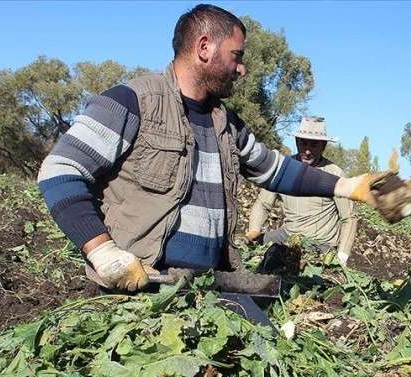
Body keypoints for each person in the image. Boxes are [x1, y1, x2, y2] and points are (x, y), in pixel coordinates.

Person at [36, 4, 388, 293]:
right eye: (236, 56)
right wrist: (102, 251)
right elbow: (59, 171)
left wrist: (348, 186)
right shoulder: (133, 101)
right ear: (204, 47)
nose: (242, 68)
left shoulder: (226, 122)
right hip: (142, 287)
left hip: (206, 287)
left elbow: (275, 170)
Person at [245, 117, 357, 266]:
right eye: (303, 143)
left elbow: (349, 218)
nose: (308, 151)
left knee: (285, 261)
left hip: (320, 242)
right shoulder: (283, 168)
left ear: (323, 146)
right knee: (249, 247)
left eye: (314, 145)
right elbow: (263, 204)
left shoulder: (335, 174)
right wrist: (254, 230)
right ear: (296, 142)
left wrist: (342, 256)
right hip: (288, 234)